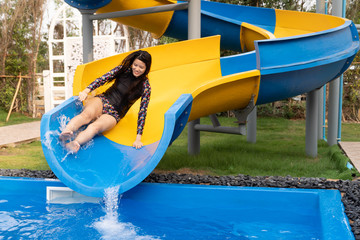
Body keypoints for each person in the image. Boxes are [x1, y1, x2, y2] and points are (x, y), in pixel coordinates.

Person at [59, 50, 152, 153]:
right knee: (86, 115)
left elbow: (142, 111)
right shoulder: (123, 70)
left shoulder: (145, 87)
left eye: (141, 67)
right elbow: (103, 79)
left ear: (146, 68)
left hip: (115, 114)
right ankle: (67, 130)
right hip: (103, 100)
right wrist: (87, 90)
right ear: (132, 63)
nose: (137, 69)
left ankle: (75, 143)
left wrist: (138, 138)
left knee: (95, 127)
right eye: (135, 65)